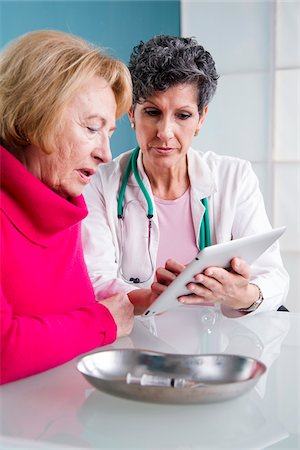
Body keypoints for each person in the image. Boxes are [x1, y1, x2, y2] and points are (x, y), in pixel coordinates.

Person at [82, 35, 289, 317]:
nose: (165, 132)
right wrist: (151, 298)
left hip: (218, 345)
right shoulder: (99, 184)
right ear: (131, 113)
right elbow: (94, 280)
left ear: (201, 119)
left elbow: (273, 277)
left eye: (183, 115)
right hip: (138, 343)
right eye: (152, 112)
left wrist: (240, 295)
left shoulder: (234, 177)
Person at [0, 30, 134, 385]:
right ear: (32, 116)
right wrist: (103, 321)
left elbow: (58, 322)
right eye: (92, 128)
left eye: (109, 133)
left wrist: (127, 301)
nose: (105, 154)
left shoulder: (61, 200)